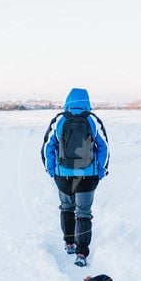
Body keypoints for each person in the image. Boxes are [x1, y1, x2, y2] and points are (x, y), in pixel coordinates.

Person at [41, 88, 109, 266]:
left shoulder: (60, 120)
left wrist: (52, 170)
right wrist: (100, 170)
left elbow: (49, 146)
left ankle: (69, 243)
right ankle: (81, 254)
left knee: (66, 208)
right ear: (87, 101)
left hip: (63, 175)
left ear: (68, 101)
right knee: (84, 213)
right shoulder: (92, 120)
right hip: (88, 176)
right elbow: (104, 147)